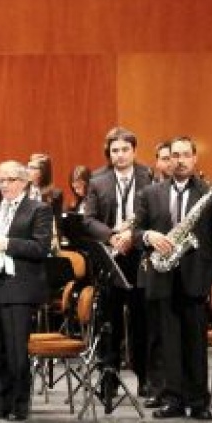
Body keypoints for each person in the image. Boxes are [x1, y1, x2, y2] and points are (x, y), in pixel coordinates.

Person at [135, 136, 212, 420]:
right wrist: (149, 236)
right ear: (167, 159)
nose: (180, 160)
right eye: (175, 155)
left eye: (186, 155)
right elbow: (137, 231)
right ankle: (172, 399)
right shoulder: (150, 193)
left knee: (195, 342)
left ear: (195, 158)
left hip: (197, 277)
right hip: (162, 276)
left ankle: (198, 401)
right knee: (167, 342)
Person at [0, 160, 53, 421]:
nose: (4, 185)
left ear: (24, 182)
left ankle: (19, 404)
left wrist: (6, 243)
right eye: (1, 180)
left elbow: (40, 248)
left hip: (18, 289)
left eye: (10, 180)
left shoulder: (38, 210)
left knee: (16, 351)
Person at [80, 127, 155, 402]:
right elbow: (88, 220)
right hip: (110, 258)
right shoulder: (97, 181)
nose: (120, 155)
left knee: (142, 321)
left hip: (139, 257)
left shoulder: (150, 177)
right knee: (108, 321)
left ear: (134, 151)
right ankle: (108, 378)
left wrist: (131, 237)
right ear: (109, 153)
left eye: (125, 150)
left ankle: (146, 379)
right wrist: (112, 236)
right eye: (114, 151)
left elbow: (156, 216)